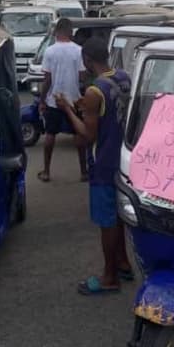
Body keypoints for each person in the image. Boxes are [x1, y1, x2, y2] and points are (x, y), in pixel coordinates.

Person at [56, 37, 133, 295]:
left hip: (102, 162)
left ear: (87, 60)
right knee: (118, 216)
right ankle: (122, 263)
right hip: (122, 159)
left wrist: (67, 109)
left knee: (107, 221)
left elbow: (87, 136)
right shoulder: (123, 77)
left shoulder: (93, 91)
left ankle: (109, 277)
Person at [37, 18, 87, 182]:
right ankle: (83, 172)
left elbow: (47, 79)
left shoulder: (50, 51)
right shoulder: (79, 50)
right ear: (70, 32)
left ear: (56, 32)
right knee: (78, 134)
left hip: (55, 99)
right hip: (74, 99)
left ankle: (46, 171)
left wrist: (42, 100)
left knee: (50, 134)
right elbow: (82, 76)